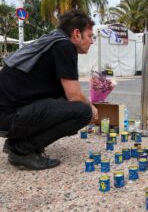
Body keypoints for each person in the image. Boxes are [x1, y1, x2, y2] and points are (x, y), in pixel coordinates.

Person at [0, 9, 98, 170]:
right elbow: (73, 95)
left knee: (67, 104)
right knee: (83, 111)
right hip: (9, 117)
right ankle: (21, 150)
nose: (92, 41)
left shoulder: (52, 41)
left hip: (8, 115)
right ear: (76, 34)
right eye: (89, 36)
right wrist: (91, 106)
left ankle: (16, 143)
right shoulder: (64, 46)